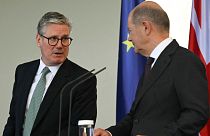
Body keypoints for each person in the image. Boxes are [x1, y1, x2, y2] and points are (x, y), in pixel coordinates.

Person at [94, 1, 209, 136]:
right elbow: (136, 117)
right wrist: (110, 133)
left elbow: (196, 113)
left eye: (130, 31)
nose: (129, 38)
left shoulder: (185, 61)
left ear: (146, 27)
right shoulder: (152, 63)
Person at [3, 12, 97, 136]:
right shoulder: (23, 71)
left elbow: (79, 129)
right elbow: (14, 118)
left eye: (65, 39)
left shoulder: (83, 79)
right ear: (38, 40)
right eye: (53, 39)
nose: (59, 45)